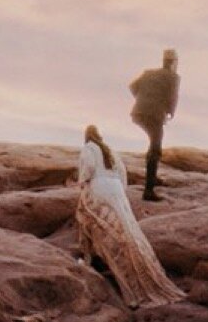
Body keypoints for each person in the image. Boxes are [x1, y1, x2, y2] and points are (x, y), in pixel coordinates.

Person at [74, 126, 175, 306]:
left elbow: (88, 167)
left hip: (99, 187)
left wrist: (82, 182)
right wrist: (121, 190)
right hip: (116, 189)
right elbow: (122, 172)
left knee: (92, 220)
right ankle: (139, 270)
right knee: (127, 229)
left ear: (86, 137)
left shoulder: (88, 148)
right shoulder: (110, 149)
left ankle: (92, 261)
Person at [128, 47, 179, 203]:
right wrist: (170, 112)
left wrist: (143, 99)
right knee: (155, 148)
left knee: (154, 143)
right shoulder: (173, 77)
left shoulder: (148, 73)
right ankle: (148, 191)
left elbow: (132, 86)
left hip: (138, 113)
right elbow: (172, 96)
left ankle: (153, 177)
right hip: (154, 115)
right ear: (174, 63)